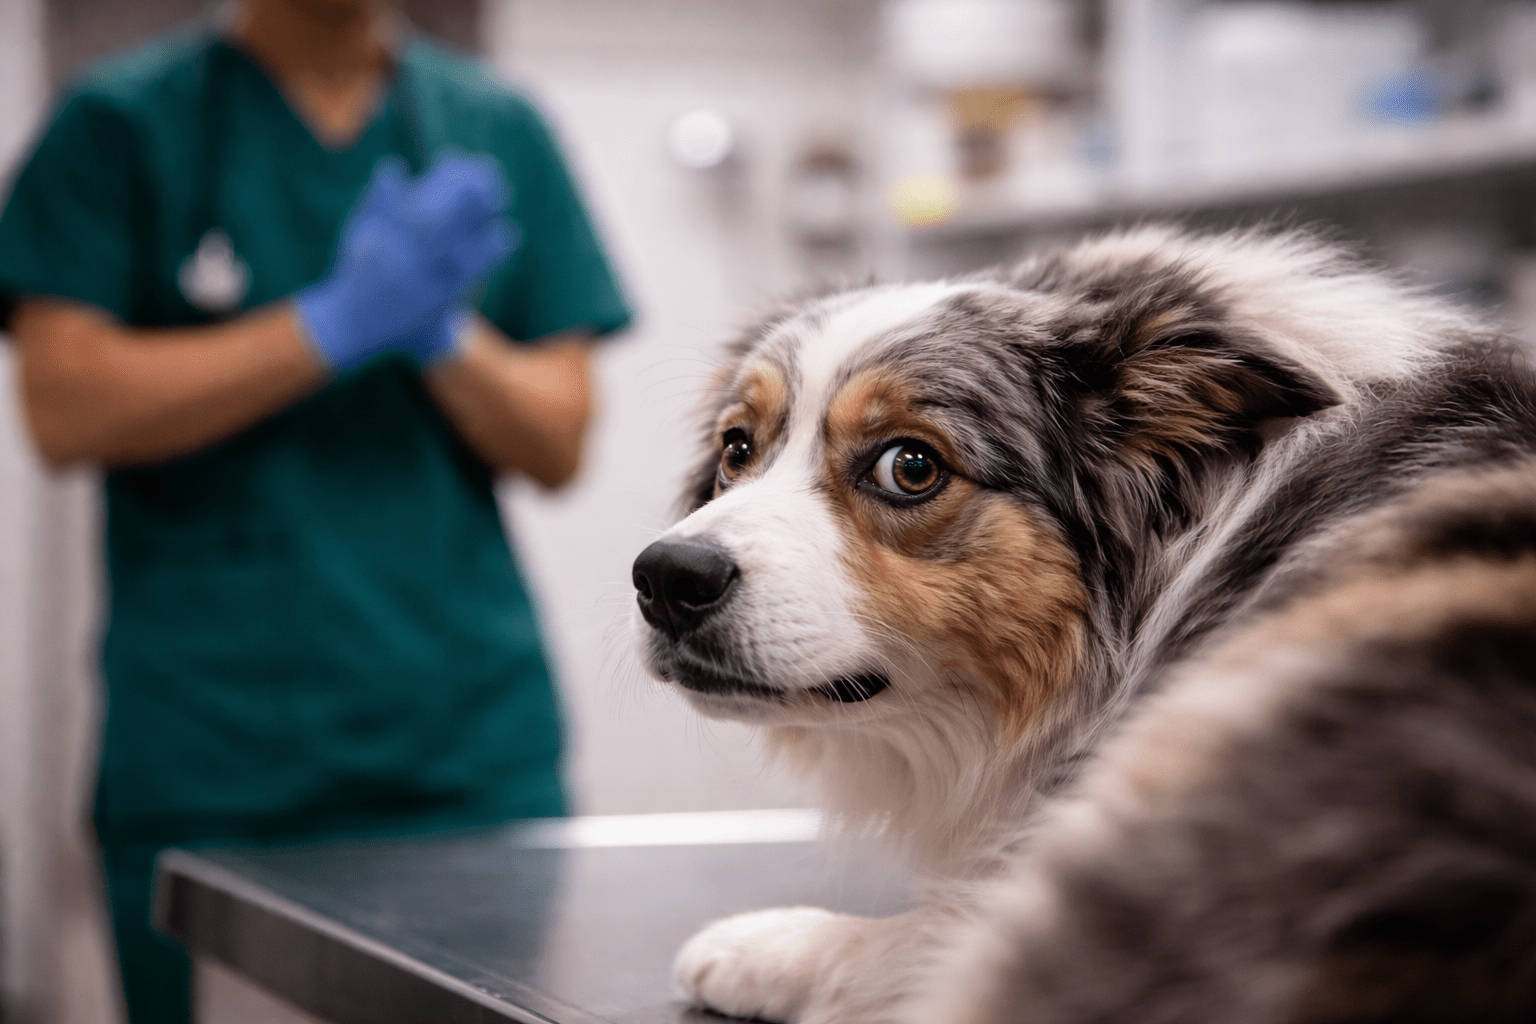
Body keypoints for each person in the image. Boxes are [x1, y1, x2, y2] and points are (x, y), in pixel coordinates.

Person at [0, 1, 631, 1022]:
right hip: (212, 751)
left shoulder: (497, 126)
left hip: (464, 747)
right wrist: (333, 322)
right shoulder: (120, 122)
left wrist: (441, 334)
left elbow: (556, 441)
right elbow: (64, 403)